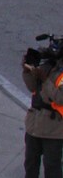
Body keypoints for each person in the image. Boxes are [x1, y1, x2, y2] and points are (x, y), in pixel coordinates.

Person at [23, 50, 63, 178]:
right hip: (34, 125)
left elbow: (60, 98)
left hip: (53, 130)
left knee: (52, 167)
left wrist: (45, 79)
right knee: (30, 164)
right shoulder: (45, 67)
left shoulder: (59, 74)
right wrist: (27, 70)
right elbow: (32, 87)